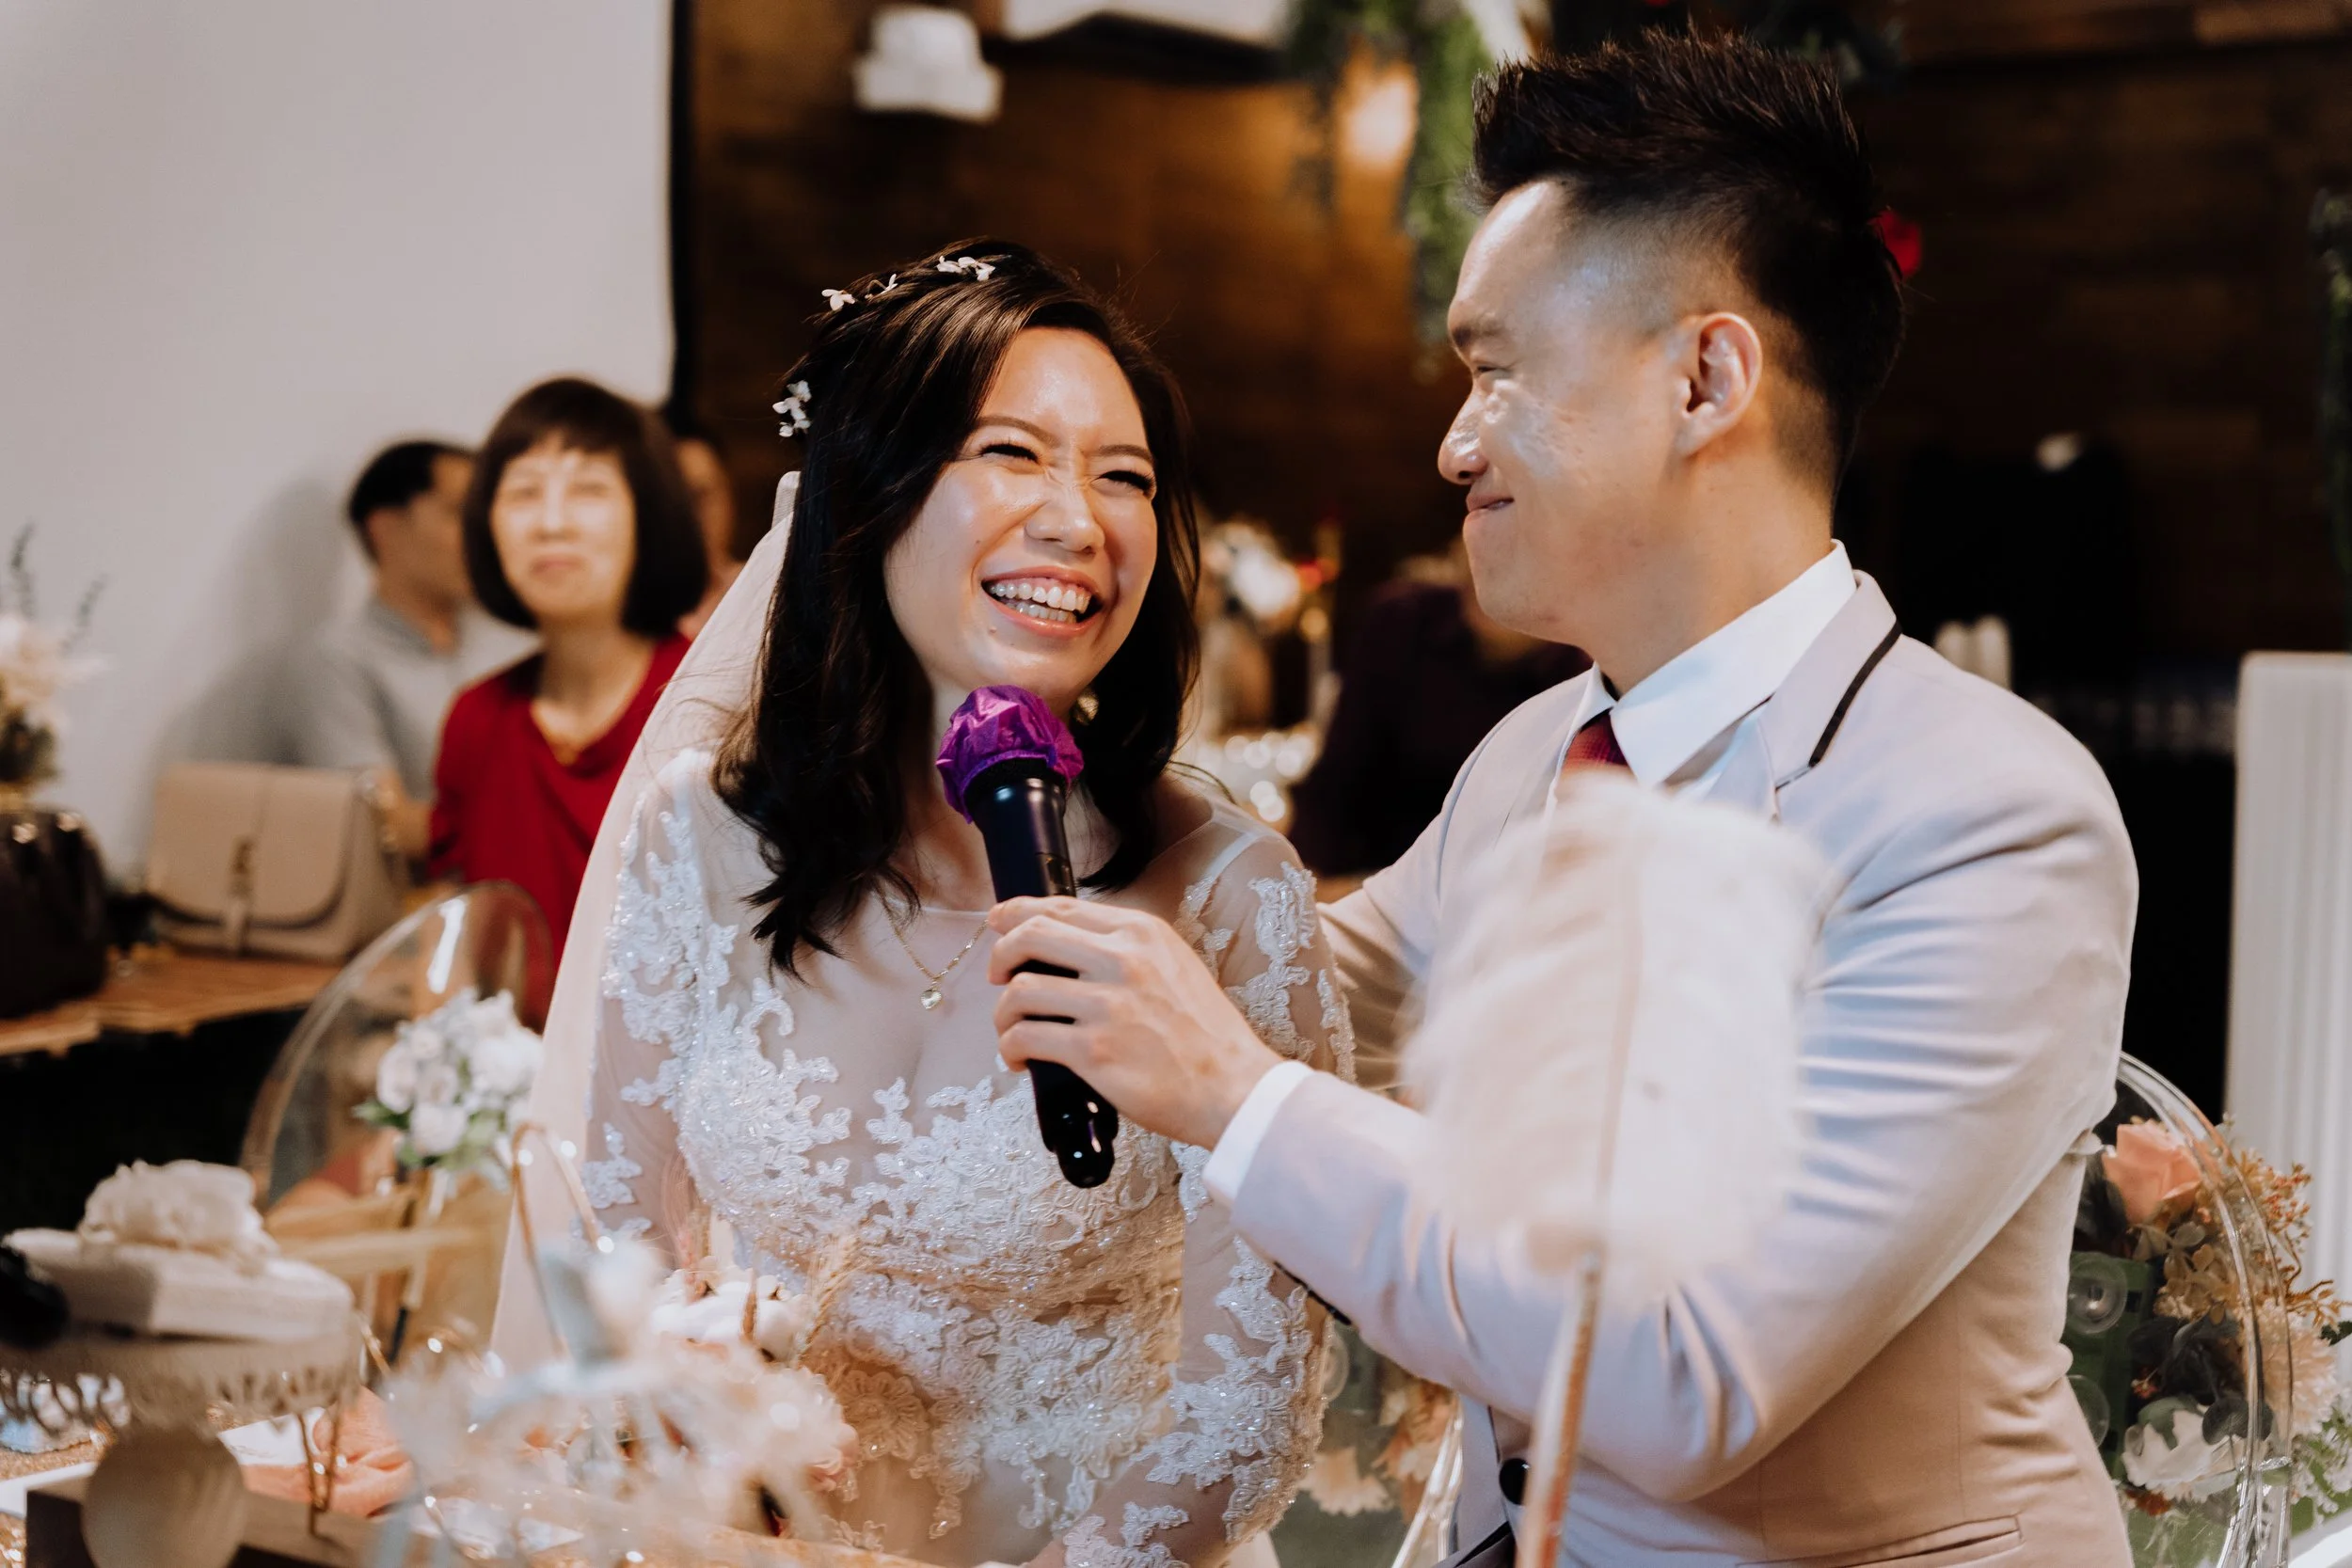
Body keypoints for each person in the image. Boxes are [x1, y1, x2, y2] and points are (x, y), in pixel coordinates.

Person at [987, 38, 2135, 1568]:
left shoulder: (1990, 818)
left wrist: (1236, 1098)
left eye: (1497, 371)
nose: (1452, 442)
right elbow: (1294, 988)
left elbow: (1681, 1371)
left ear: (1704, 379)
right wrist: (1032, 715)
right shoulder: (1535, 755)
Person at [568, 243, 1345, 1568]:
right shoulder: (698, 836)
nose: (1078, 519)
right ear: (867, 496)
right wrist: (699, 1438)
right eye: (1014, 453)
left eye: (1125, 475)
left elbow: (1242, 1412)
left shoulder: (1227, 896)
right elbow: (626, 1237)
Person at [430, 378, 704, 959]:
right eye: (524, 493)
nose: (551, 523)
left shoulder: (711, 702)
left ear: (648, 516)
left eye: (588, 490)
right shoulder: (477, 719)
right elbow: (456, 942)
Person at [277, 439, 532, 857]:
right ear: (386, 528)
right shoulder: (338, 659)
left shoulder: (512, 639)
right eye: (458, 514)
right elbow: (380, 821)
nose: (482, 535)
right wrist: (529, 822)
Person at [1289, 544, 1585, 879]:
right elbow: (1335, 780)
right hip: (1364, 879)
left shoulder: (1587, 675)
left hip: (1495, 902)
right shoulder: (1401, 622)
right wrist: (1302, 887)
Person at [668, 407, 749, 637]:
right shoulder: (614, 611)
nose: (690, 519)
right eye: (675, 501)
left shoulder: (766, 594)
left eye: (701, 497)